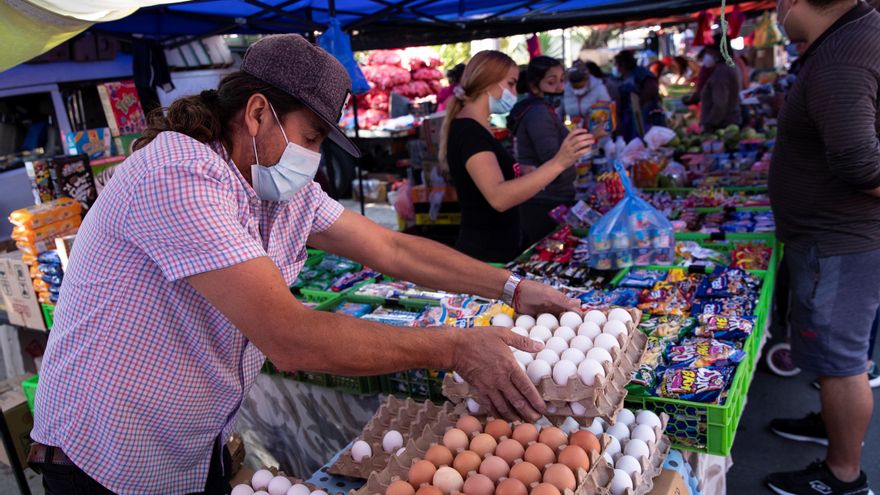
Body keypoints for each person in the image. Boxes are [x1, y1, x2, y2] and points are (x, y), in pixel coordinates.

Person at [29, 36, 579, 494]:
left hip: (191, 445)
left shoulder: (279, 190)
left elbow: (392, 249)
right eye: (312, 137)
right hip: (104, 455)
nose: (314, 157)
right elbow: (290, 337)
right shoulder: (179, 175)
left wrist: (510, 286)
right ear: (258, 112)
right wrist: (455, 346)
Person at [766, 1, 880, 494]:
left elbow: (860, 164)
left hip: (839, 239)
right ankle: (834, 429)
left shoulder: (842, 56)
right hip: (838, 235)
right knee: (836, 358)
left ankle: (843, 476)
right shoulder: (852, 38)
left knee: (842, 361)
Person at [439, 50, 594, 263]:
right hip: (484, 255)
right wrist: (558, 163)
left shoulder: (479, 127)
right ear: (488, 83)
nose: (514, 91)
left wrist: (523, 173)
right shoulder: (470, 132)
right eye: (511, 84)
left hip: (499, 249)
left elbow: (486, 181)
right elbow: (498, 197)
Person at [506, 56, 574, 246]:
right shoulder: (539, 113)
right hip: (545, 202)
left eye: (562, 80)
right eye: (552, 82)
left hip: (547, 198)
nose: (560, 88)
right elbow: (553, 159)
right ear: (535, 86)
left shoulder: (544, 110)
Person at [612, 50, 663, 141]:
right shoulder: (622, 76)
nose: (617, 68)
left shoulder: (641, 73)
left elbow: (652, 88)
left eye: (618, 65)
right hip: (629, 117)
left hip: (645, 115)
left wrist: (638, 103)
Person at [698, 38, 742, 132]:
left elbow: (720, 104)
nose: (707, 56)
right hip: (730, 121)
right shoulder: (731, 66)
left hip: (722, 126)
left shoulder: (722, 72)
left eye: (709, 52)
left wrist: (709, 123)